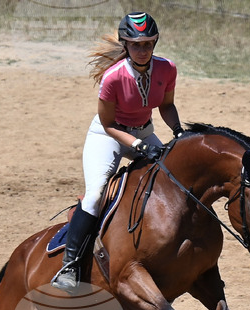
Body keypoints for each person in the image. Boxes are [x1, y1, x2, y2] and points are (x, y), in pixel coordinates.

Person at [51, 11, 185, 292]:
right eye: (136, 44)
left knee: (175, 179)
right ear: (125, 45)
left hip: (145, 131)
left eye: (148, 44)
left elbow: (166, 106)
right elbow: (108, 123)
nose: (142, 50)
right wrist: (136, 145)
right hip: (108, 135)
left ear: (155, 43)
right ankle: (70, 264)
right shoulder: (113, 78)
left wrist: (178, 131)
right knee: (97, 193)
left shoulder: (167, 69)